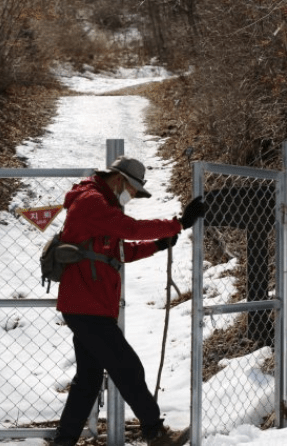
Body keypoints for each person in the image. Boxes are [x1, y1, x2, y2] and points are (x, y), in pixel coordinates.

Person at [53, 156, 205, 446]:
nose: (133, 195)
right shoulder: (92, 201)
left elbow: (121, 252)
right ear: (120, 180)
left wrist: (158, 245)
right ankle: (155, 433)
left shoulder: (102, 206)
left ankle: (64, 441)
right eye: (134, 189)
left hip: (89, 304)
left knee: (88, 380)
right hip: (87, 305)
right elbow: (131, 230)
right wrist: (179, 224)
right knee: (127, 367)